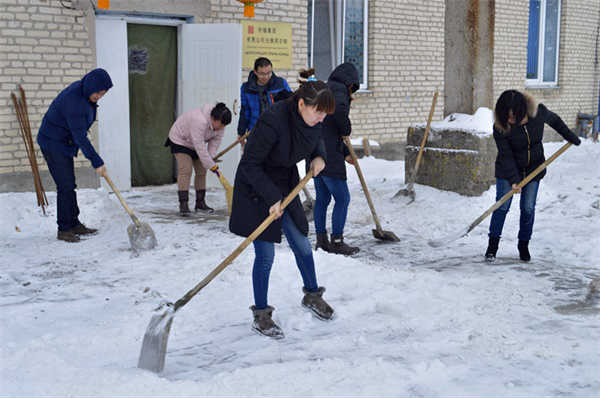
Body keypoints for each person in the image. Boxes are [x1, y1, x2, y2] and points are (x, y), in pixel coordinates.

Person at [229, 70, 335, 339]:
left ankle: (312, 295)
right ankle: (261, 315)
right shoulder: (272, 121)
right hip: (257, 188)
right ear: (302, 104)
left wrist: (319, 156)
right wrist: (271, 198)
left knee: (301, 243)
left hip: (286, 185)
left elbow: (315, 139)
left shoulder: (314, 120)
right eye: (318, 113)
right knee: (265, 256)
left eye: (325, 115)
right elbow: (250, 165)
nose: (322, 119)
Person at [485, 90, 581, 262]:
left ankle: (523, 245)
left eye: (514, 116)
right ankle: (492, 247)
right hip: (508, 170)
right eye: (507, 116)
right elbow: (506, 156)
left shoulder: (538, 113)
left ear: (522, 111)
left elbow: (555, 121)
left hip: (533, 168)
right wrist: (514, 180)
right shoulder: (500, 127)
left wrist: (570, 136)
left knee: (528, 208)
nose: (510, 120)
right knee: (502, 206)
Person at [37, 68, 113, 243]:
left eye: (103, 94)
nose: (100, 97)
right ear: (92, 86)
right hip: (53, 143)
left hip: (63, 142)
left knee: (70, 184)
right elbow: (80, 136)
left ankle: (74, 223)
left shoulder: (84, 91)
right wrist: (97, 161)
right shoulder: (74, 101)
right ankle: (64, 229)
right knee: (65, 186)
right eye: (99, 93)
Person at [313, 63, 361, 255]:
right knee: (342, 198)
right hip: (330, 155)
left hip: (317, 150)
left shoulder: (326, 88)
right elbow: (339, 114)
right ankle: (338, 241)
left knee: (322, 199)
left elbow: (328, 127)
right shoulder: (339, 90)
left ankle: (321, 240)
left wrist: (345, 152)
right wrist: (346, 129)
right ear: (349, 81)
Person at [165, 103, 232, 216]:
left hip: (195, 143)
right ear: (213, 118)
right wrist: (210, 164)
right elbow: (200, 146)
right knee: (186, 170)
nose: (222, 128)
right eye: (221, 125)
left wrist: (210, 161)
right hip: (180, 140)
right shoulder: (199, 121)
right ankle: (184, 205)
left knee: (201, 171)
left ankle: (200, 203)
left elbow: (214, 144)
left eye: (224, 126)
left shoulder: (221, 125)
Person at [237, 57, 291, 143]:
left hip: (277, 130)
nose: (266, 77)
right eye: (262, 74)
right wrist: (241, 132)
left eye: (269, 73)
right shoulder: (246, 88)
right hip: (255, 131)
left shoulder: (280, 84)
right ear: (255, 72)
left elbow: (290, 105)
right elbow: (245, 112)